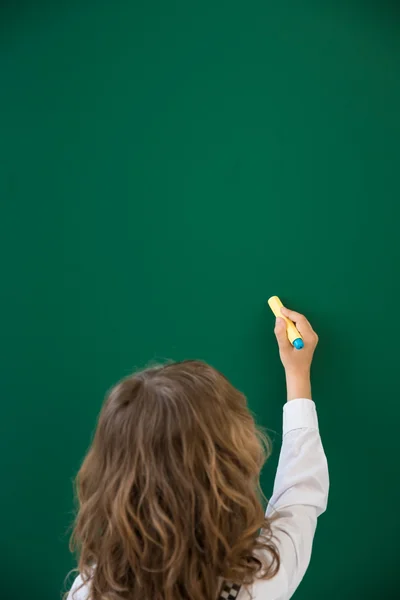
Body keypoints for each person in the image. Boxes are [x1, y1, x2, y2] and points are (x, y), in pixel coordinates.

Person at [67, 307, 328, 600]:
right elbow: (300, 499)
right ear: (227, 470)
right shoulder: (260, 581)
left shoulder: (88, 592)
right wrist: (297, 374)